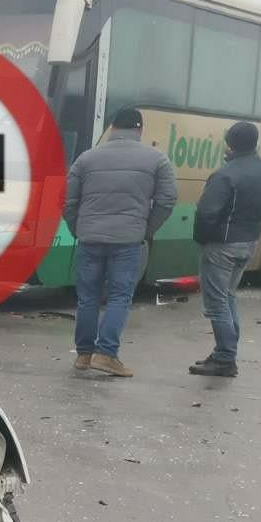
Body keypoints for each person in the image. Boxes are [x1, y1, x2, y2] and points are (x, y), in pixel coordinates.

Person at [62, 106, 177, 378]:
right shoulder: (157, 160)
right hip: (128, 241)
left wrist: (77, 228)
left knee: (87, 297)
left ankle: (84, 354)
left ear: (112, 127)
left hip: (90, 238)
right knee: (119, 296)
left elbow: (68, 201)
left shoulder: (86, 158)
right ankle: (106, 354)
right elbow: (168, 199)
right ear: (140, 130)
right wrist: (146, 229)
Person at [189, 121, 261, 378]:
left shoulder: (225, 175)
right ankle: (224, 353)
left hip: (222, 245)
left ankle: (225, 358)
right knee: (228, 297)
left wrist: (202, 239)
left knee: (217, 302)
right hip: (248, 242)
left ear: (230, 143)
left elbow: (206, 213)